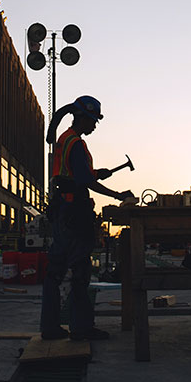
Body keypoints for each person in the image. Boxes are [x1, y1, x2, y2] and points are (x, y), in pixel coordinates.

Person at [40, 95, 134, 342]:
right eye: (93, 121)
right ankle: (81, 328)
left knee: (54, 272)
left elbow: (74, 173)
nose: (94, 126)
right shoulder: (77, 144)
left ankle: (49, 328)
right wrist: (116, 194)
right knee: (81, 271)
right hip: (74, 212)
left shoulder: (66, 140)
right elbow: (84, 181)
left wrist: (96, 173)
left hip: (62, 209)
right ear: (82, 117)